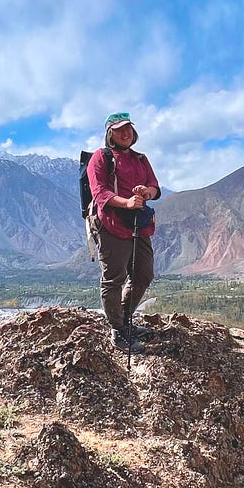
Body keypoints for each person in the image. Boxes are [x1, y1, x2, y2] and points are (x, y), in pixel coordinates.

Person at [87, 112, 161, 353]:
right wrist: (127, 203)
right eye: (119, 130)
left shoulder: (141, 159)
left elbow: (155, 187)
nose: (126, 133)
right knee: (114, 277)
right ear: (110, 134)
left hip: (138, 224)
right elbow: (100, 193)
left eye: (128, 128)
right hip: (111, 223)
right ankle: (117, 329)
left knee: (143, 273)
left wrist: (145, 193)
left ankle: (124, 319)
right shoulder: (101, 157)